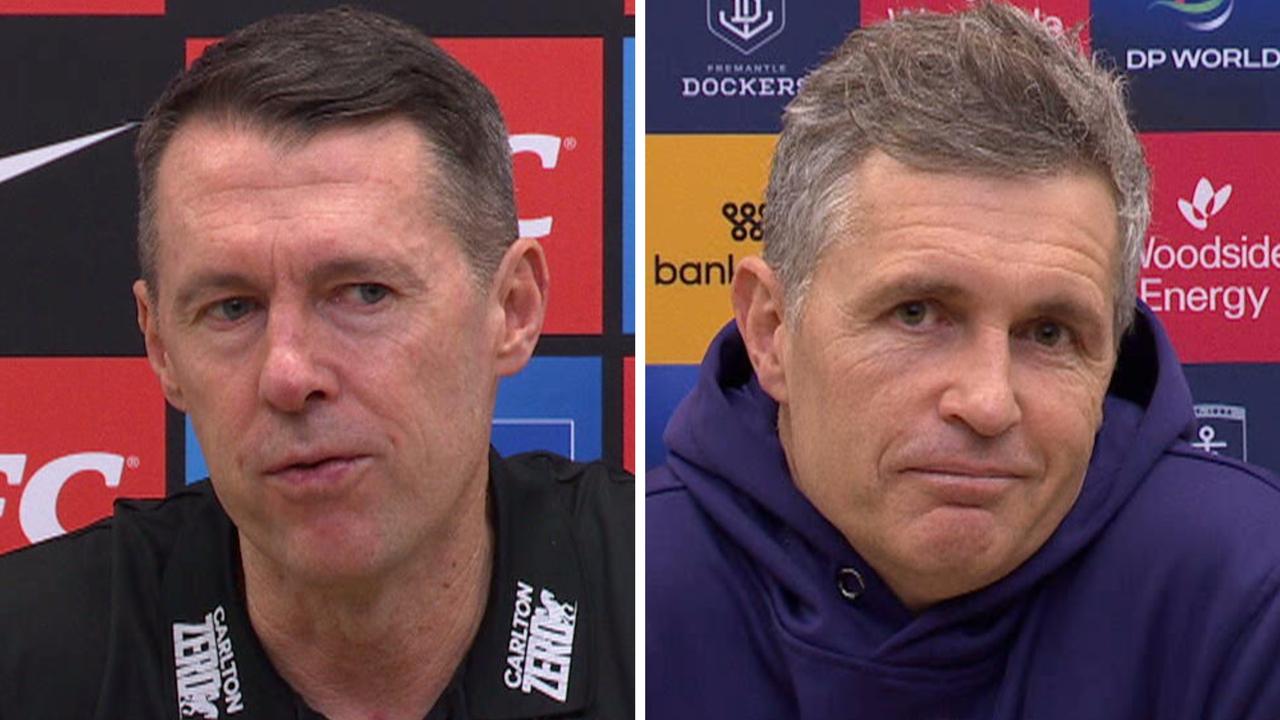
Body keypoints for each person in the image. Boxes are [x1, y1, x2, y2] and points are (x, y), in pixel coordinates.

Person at [647, 3, 1280, 718]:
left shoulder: (1250, 591)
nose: (987, 402)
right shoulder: (627, 585)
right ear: (771, 331)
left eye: (1049, 334)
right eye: (916, 314)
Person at [0, 7, 632, 720]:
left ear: (513, 308)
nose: (289, 374)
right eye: (232, 308)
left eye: (364, 293)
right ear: (161, 347)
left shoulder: (672, 603)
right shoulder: (28, 660)